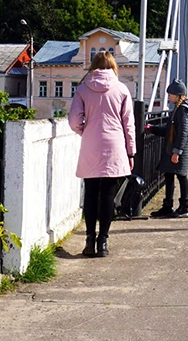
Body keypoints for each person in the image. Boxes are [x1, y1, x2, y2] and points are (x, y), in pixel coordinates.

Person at [67, 51, 135, 258]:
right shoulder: (122, 89)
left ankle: (89, 239)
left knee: (90, 192)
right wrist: (131, 152)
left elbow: (73, 121)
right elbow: (128, 124)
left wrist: (85, 131)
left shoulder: (82, 88)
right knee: (107, 194)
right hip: (114, 144)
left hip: (91, 144)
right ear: (113, 66)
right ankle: (103, 241)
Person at [147, 80, 188, 217]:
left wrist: (177, 152)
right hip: (174, 148)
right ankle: (168, 206)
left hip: (178, 149)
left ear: (178, 95)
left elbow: (183, 132)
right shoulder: (178, 109)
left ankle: (184, 206)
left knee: (181, 176)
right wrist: (154, 129)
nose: (168, 97)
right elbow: (169, 130)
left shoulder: (183, 110)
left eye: (170, 94)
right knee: (169, 176)